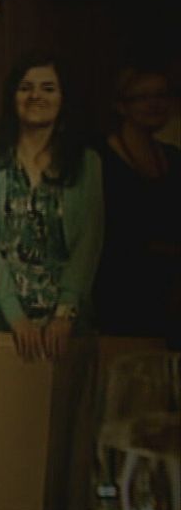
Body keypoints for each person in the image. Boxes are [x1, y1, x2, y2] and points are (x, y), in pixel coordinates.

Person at [0, 52, 104, 510]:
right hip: (4, 319)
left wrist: (64, 312)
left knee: (54, 444)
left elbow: (90, 242)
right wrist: (15, 315)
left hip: (63, 324)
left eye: (48, 87)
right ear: (12, 97)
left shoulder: (86, 163)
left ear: (63, 98)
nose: (37, 97)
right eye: (26, 87)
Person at [93, 62, 181, 342]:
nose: (155, 104)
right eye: (143, 97)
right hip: (116, 289)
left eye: (162, 95)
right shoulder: (99, 158)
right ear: (121, 106)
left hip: (168, 293)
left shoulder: (174, 158)